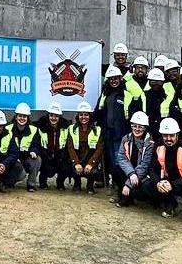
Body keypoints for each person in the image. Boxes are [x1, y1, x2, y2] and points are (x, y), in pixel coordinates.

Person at [146, 117, 182, 224]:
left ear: (177, 134)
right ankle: (170, 204)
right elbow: (152, 168)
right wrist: (158, 183)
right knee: (149, 184)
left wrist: (172, 184)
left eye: (171, 135)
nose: (168, 139)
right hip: (167, 181)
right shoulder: (158, 146)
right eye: (165, 136)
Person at [94, 65, 127, 194]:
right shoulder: (105, 94)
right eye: (111, 79)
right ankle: (112, 183)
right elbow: (98, 111)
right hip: (107, 133)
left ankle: (118, 185)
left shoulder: (126, 94)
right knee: (109, 159)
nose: (114, 81)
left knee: (118, 160)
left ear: (120, 79)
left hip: (120, 133)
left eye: (116, 78)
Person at [115, 110, 154, 208]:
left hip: (143, 175)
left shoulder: (150, 143)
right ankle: (125, 196)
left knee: (144, 190)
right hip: (131, 172)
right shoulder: (126, 139)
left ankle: (129, 195)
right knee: (116, 170)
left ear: (145, 128)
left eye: (140, 127)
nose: (137, 129)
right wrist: (131, 173)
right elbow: (121, 158)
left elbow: (145, 166)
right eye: (134, 126)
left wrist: (128, 184)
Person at [65, 101, 104, 193]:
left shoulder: (97, 130)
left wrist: (91, 163)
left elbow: (100, 149)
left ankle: (90, 186)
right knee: (74, 169)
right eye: (81, 115)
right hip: (78, 159)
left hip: (90, 159)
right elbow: (70, 148)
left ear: (90, 116)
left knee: (93, 172)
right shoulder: (71, 129)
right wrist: (76, 163)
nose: (83, 117)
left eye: (86, 115)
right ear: (78, 116)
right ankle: (77, 184)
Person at [5, 102, 42, 192]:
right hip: (12, 159)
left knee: (37, 160)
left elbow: (36, 144)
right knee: (21, 174)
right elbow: (5, 145)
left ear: (28, 118)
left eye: (24, 116)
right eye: (20, 116)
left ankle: (31, 184)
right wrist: (13, 157)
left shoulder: (34, 130)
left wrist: (34, 151)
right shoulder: (7, 129)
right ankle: (8, 181)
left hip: (26, 158)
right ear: (16, 116)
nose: (22, 118)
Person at [35, 102, 70, 190]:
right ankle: (43, 182)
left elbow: (68, 145)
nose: (53, 118)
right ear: (48, 115)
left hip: (60, 155)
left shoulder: (66, 127)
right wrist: (45, 154)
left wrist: (63, 155)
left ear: (60, 117)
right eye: (51, 115)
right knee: (45, 167)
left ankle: (60, 182)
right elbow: (38, 144)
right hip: (45, 155)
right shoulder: (41, 127)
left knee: (66, 167)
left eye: (56, 116)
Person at [143, 67, 168, 135]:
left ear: (163, 82)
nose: (156, 84)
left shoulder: (168, 96)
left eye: (159, 82)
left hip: (164, 131)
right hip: (146, 131)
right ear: (149, 82)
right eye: (153, 82)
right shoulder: (143, 96)